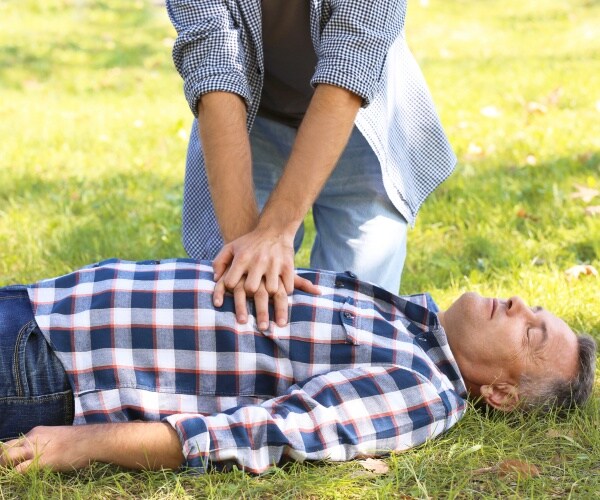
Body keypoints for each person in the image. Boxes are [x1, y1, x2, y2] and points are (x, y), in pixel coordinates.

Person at [0, 259, 595, 474]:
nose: (520, 306)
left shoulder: (424, 392)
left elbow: (257, 435)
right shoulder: (412, 321)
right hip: (51, 302)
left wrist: (82, 445)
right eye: (533, 307)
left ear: (502, 394)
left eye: (532, 333)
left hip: (50, 364)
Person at [165, 1, 457, 326]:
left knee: (357, 318)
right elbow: (213, 67)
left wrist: (275, 232)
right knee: (233, 305)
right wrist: (243, 252)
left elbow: (348, 68)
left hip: (359, 118)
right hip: (250, 120)